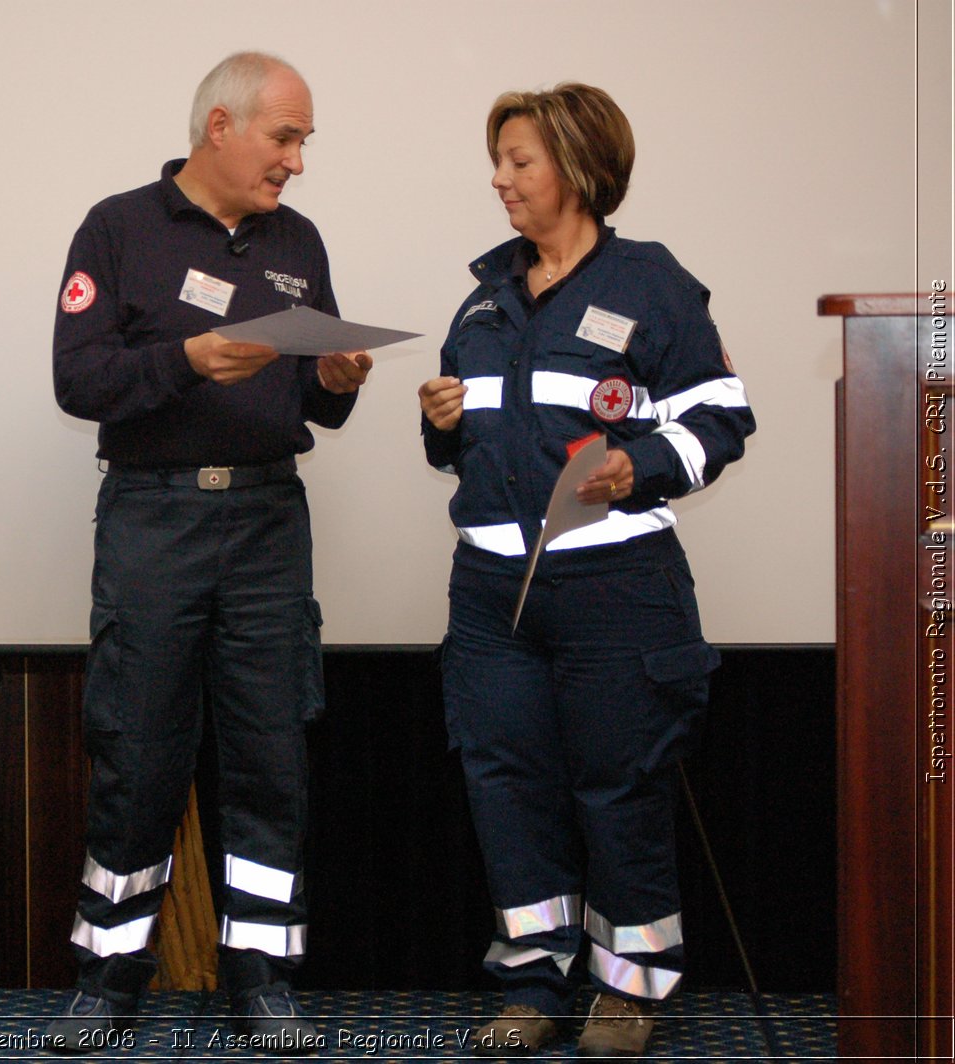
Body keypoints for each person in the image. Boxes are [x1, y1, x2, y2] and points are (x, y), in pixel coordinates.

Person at [47, 51, 372, 1056]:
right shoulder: (118, 226)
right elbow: (77, 378)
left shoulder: (298, 241)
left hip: (269, 520)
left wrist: (337, 374)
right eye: (285, 137)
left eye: (304, 141)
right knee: (137, 753)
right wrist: (185, 357)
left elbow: (315, 401)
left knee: (271, 750)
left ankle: (262, 981)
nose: (297, 162)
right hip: (154, 519)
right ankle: (108, 978)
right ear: (220, 127)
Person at [419, 83, 754, 1058]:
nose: (500, 179)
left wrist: (639, 464)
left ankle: (627, 989)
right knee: (506, 784)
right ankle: (531, 980)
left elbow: (720, 420)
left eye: (519, 161)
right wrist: (437, 424)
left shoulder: (651, 285)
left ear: (577, 168)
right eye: (500, 161)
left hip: (615, 592)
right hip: (490, 598)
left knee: (619, 785)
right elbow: (463, 453)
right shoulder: (481, 301)